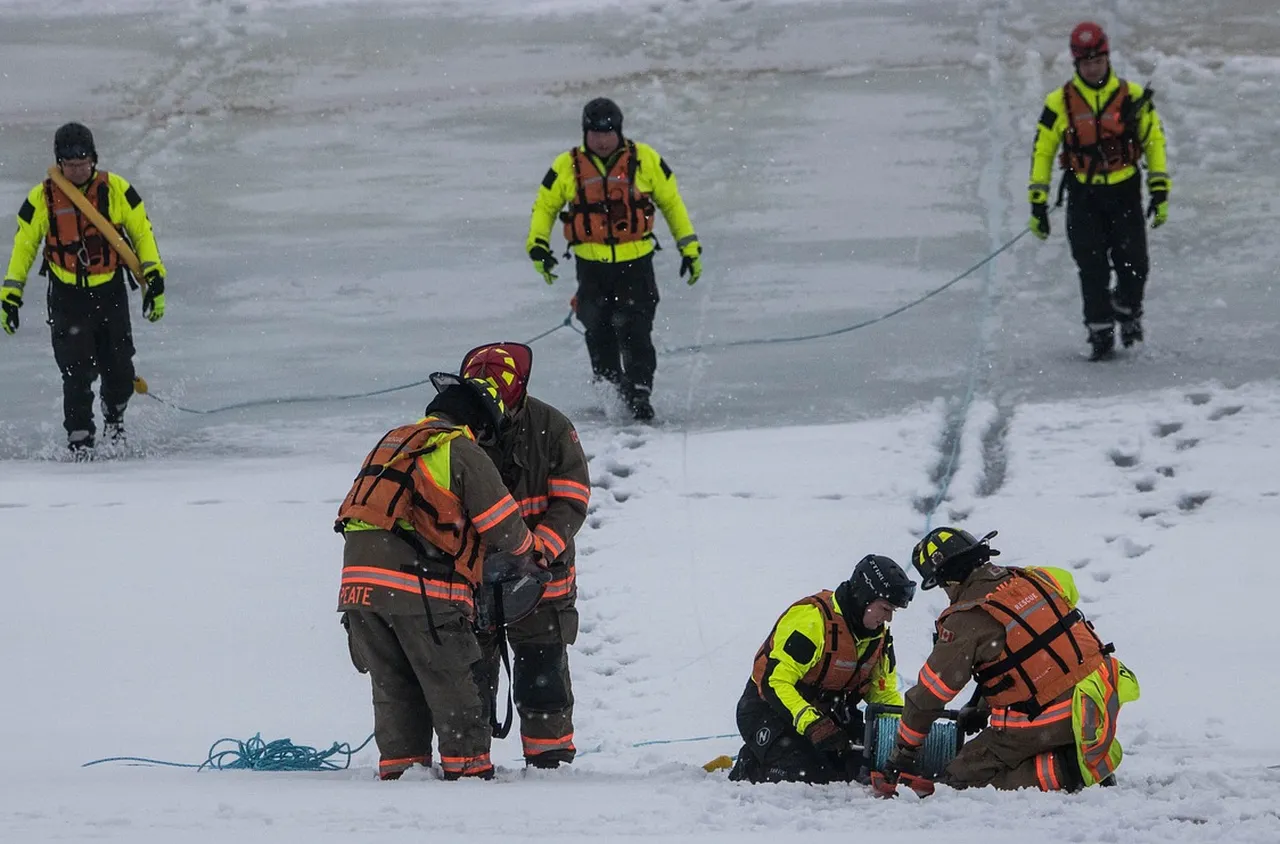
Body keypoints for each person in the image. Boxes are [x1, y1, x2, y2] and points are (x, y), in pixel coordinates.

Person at [335, 373, 545, 782]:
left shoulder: (393, 442)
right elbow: (503, 526)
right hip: (417, 587)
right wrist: (530, 555)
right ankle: (468, 775)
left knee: (394, 687)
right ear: (478, 424)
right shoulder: (457, 450)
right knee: (453, 686)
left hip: (358, 588)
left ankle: (402, 773)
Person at [874, 527, 1140, 798]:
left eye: (942, 585)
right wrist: (980, 706)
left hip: (1055, 716)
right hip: (1101, 695)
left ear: (950, 580)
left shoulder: (967, 617)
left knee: (960, 779)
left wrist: (902, 754)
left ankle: (1068, 769)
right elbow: (1030, 653)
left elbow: (928, 696)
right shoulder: (1038, 578)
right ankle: (1085, 750)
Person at [526, 97, 702, 421]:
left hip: (636, 265)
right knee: (598, 329)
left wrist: (688, 247)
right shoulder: (566, 166)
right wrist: (538, 245)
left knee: (636, 328)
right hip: (590, 268)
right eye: (596, 132)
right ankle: (610, 388)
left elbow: (672, 204)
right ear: (585, 133)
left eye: (608, 132)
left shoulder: (646, 160)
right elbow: (545, 206)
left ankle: (639, 392)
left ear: (619, 131)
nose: (603, 139)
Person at [459, 342, 591, 769]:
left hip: (542, 581)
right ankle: (468, 762)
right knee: (469, 675)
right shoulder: (458, 431)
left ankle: (549, 760)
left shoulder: (552, 428)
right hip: (474, 580)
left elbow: (571, 500)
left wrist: (538, 551)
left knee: (543, 673)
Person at [2, 122, 168, 453]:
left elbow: (142, 233)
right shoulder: (42, 198)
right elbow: (24, 246)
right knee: (76, 373)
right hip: (67, 298)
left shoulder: (118, 189)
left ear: (93, 159)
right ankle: (80, 438)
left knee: (120, 370)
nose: (77, 170)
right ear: (59, 163)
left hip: (110, 293)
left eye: (83, 163)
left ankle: (114, 414)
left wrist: (155, 276)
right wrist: (11, 293)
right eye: (70, 164)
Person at [1027, 22, 1169, 361]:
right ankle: (1100, 332)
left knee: (1135, 265)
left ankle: (1127, 308)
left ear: (1107, 57)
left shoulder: (1133, 96)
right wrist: (1038, 201)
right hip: (1083, 195)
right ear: (1076, 63)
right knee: (1092, 268)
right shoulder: (1058, 103)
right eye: (1086, 62)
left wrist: (1159, 188)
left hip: (1125, 191)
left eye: (1098, 60)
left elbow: (1155, 141)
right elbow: (1043, 151)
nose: (1093, 67)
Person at [727, 554, 916, 784]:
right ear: (864, 597)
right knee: (807, 774)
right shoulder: (812, 622)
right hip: (767, 710)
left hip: (829, 714)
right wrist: (812, 723)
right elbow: (774, 682)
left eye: (892, 611)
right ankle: (752, 763)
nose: (887, 618)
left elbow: (883, 694)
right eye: (885, 608)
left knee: (858, 767)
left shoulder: (879, 639)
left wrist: (904, 735)